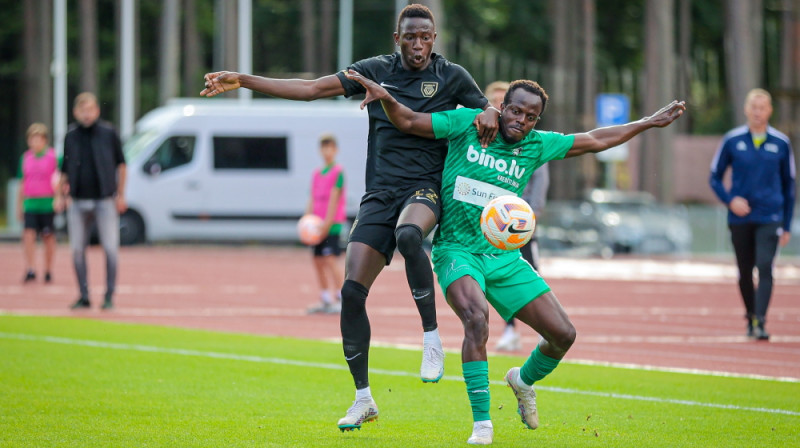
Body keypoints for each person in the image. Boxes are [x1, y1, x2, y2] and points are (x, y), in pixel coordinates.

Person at [200, 4, 500, 430]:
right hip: (379, 193)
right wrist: (243, 80)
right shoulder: (373, 70)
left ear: (434, 39)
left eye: (425, 37)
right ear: (397, 40)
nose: (418, 44)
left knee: (411, 235)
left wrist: (488, 110)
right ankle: (363, 399)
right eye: (410, 37)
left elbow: (488, 112)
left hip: (425, 189)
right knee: (351, 292)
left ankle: (431, 337)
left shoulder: (452, 76)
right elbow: (309, 89)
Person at [345, 70, 685, 444]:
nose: (520, 120)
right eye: (515, 111)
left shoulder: (538, 145)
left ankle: (522, 381)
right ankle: (482, 425)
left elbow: (593, 139)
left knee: (563, 335)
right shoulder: (467, 124)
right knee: (476, 319)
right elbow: (411, 120)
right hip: (457, 251)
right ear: (501, 107)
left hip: (504, 257)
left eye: (530, 116)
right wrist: (385, 97)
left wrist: (648, 122)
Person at [709, 88, 795, 341]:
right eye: (753, 108)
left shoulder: (781, 143)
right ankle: (750, 315)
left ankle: (760, 321)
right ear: (746, 110)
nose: (758, 112)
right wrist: (729, 200)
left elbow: (790, 186)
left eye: (763, 108)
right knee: (744, 270)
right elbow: (714, 176)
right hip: (740, 218)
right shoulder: (732, 140)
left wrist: (787, 224)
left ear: (770, 111)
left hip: (770, 217)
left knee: (765, 266)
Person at [485, 81, 551, 352]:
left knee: (530, 275)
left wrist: (530, 216)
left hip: (520, 226)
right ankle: (509, 329)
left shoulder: (530, 143)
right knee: (492, 282)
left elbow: (540, 179)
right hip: (488, 226)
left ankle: (543, 327)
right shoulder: (481, 137)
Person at [55, 92, 127, 311]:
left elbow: (122, 165)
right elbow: (64, 170)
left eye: (91, 110)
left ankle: (109, 296)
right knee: (77, 249)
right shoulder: (71, 135)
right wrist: (60, 196)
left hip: (104, 199)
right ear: (76, 112)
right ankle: (84, 295)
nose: (87, 114)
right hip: (77, 200)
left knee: (110, 249)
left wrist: (121, 194)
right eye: (82, 110)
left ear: (97, 111)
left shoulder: (108, 133)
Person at [306, 133, 346, 314]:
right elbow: (312, 199)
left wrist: (327, 224)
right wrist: (307, 221)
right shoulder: (316, 174)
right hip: (316, 225)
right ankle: (324, 298)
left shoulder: (338, 172)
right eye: (323, 147)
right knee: (317, 260)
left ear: (335, 150)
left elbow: (334, 199)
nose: (326, 151)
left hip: (332, 224)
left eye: (329, 147)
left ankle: (340, 297)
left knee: (330, 260)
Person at [17, 123, 60, 284]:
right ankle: (30, 268)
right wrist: (19, 204)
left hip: (47, 203)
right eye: (32, 139)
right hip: (30, 203)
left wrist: (59, 197)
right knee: (28, 235)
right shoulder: (25, 158)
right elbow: (22, 182)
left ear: (44, 141)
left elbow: (60, 180)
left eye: (38, 139)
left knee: (48, 237)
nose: (35, 143)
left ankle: (48, 270)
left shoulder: (53, 157)